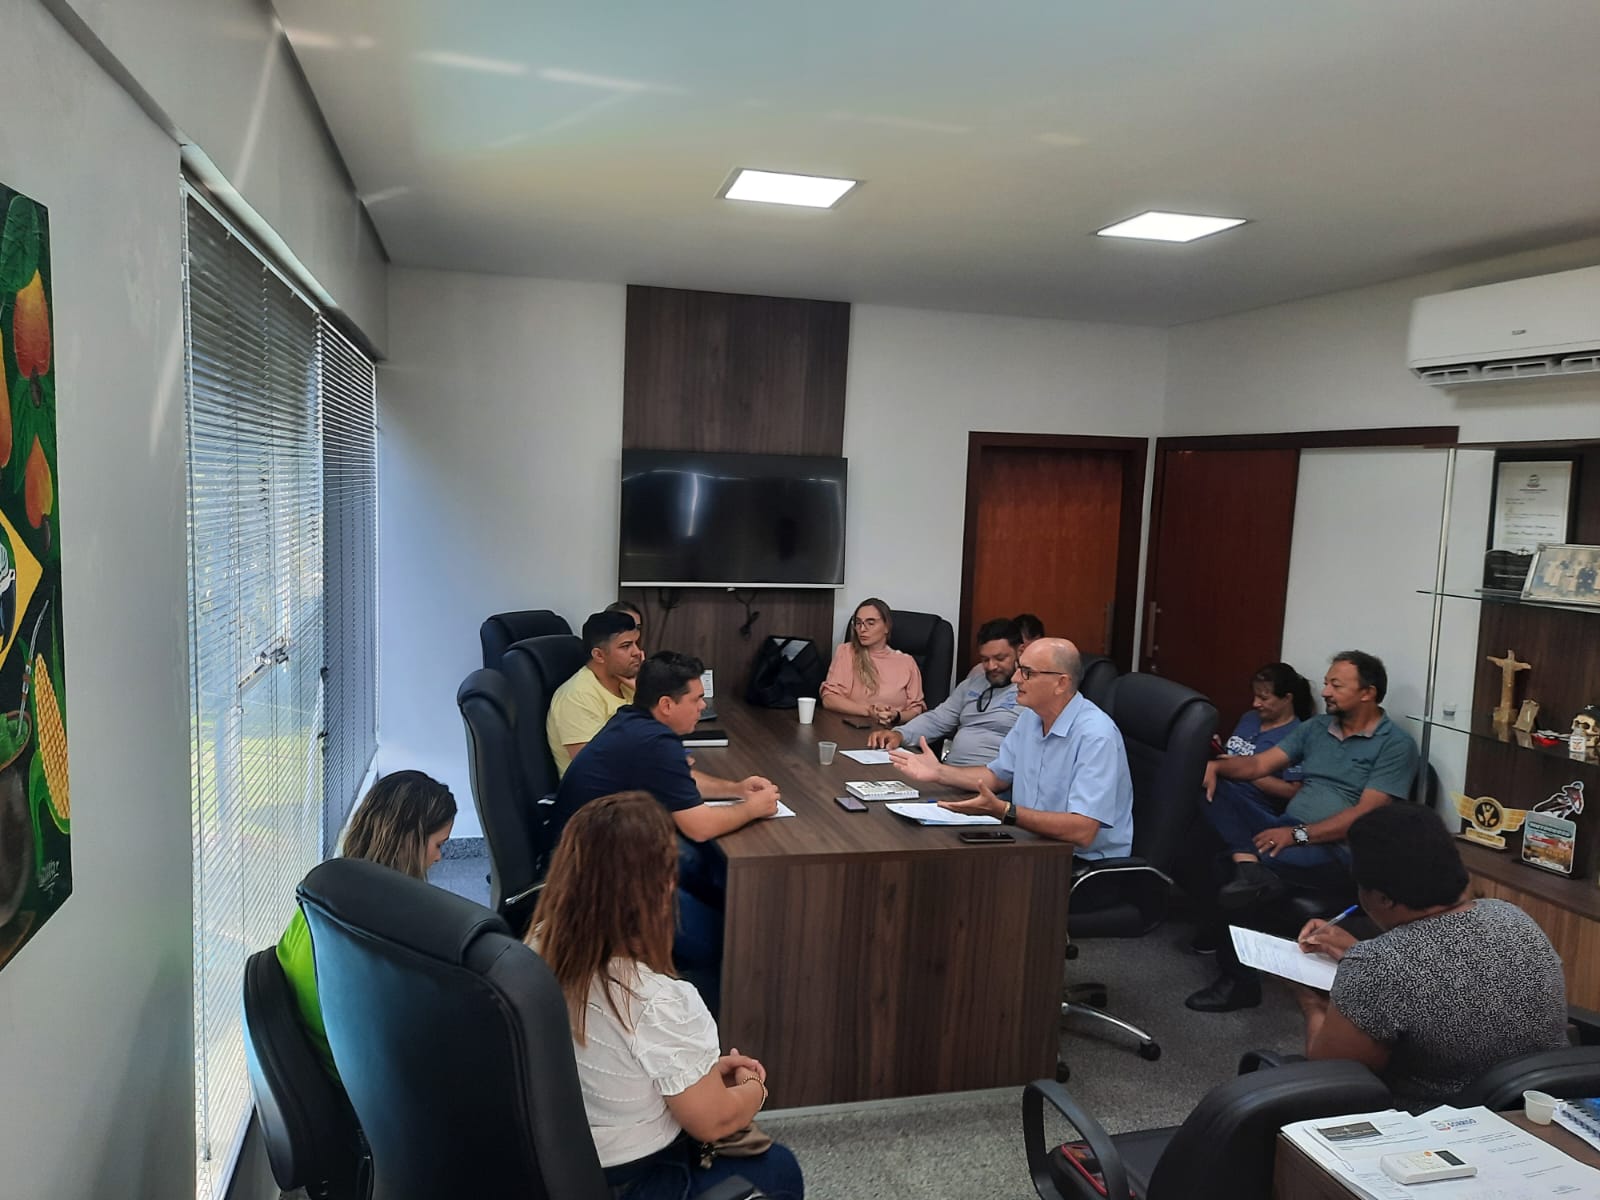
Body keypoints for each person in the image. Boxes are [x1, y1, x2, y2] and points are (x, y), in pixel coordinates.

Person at [530, 791, 804, 1199]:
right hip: (631, 1180)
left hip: (556, 1164)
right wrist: (753, 1088)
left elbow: (618, 1062)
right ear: (660, 888)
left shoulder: (537, 945)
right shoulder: (656, 999)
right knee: (779, 1169)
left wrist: (702, 1071)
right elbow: (713, 1123)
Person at [1186, 650, 1419, 1012]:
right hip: (1286, 830)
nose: (1325, 692)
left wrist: (1298, 835)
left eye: (1336, 685)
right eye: (1326, 683)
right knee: (1210, 788)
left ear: (1367, 693)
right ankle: (1249, 863)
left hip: (1338, 850)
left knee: (1231, 872)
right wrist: (1216, 766)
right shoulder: (1316, 728)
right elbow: (1259, 765)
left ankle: (1239, 982)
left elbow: (1365, 815)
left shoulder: (1396, 744)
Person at [1293, 803, 1567, 1107]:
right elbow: (1453, 967)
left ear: (1382, 897)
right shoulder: (1511, 916)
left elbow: (1333, 1075)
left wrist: (1311, 1003)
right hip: (1539, 1106)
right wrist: (1359, 953)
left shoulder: (1378, 967)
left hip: (1439, 1123)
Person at [553, 651, 781, 1011]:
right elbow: (701, 826)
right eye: (696, 699)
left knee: (703, 868)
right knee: (719, 937)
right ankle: (707, 1021)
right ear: (666, 705)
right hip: (595, 882)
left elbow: (680, 781)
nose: (703, 706)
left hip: (593, 853)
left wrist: (736, 789)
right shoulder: (655, 742)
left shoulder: (633, 722)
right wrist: (753, 808)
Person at [276, 770, 457, 1078]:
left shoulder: (320, 892)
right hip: (362, 1083)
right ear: (409, 843)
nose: (439, 858)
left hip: (322, 1063)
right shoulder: (388, 926)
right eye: (439, 845)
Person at [888, 637, 1133, 859]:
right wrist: (940, 772)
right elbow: (997, 776)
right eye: (1018, 668)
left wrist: (1005, 811)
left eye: (1027, 673)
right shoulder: (1031, 718)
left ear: (1061, 683)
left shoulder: (1096, 736)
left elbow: (1083, 831)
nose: (1015, 679)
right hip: (1031, 844)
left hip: (1077, 863)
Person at [867, 617, 1022, 766]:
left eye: (1000, 658)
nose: (991, 666)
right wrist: (900, 734)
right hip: (949, 772)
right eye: (985, 660)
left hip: (990, 778)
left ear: (1020, 652)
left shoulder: (1028, 692)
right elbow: (937, 720)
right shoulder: (971, 685)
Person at [548, 610, 645, 776]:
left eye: (636, 643)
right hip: (603, 790)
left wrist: (645, 690)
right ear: (599, 655)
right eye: (626, 646)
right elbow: (594, 768)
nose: (637, 652)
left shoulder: (629, 684)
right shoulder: (577, 697)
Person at [1215, 663, 1314, 814]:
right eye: (1255, 696)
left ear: (1287, 698)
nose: (1255, 703)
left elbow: (1293, 791)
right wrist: (1217, 749)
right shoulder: (1250, 718)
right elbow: (1231, 754)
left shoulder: (1298, 734)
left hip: (1250, 804)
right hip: (1220, 785)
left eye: (1264, 698)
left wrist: (1242, 770)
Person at [820, 597, 926, 728]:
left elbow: (916, 709)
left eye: (870, 623)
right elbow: (829, 699)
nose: (862, 629)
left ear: (886, 627)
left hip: (893, 731)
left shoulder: (907, 662)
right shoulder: (847, 652)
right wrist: (869, 711)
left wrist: (896, 716)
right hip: (853, 729)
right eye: (858, 623)